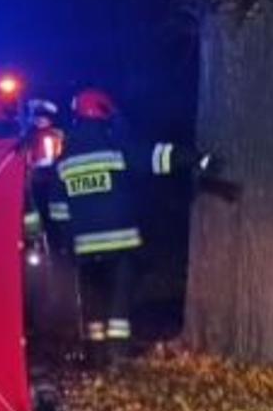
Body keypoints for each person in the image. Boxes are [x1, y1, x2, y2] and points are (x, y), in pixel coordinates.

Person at [54, 87, 203, 363]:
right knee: (119, 299)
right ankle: (118, 354)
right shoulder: (116, 148)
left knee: (93, 301)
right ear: (103, 114)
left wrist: (68, 243)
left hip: (84, 248)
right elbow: (156, 157)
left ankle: (95, 355)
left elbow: (59, 209)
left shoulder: (64, 161)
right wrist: (194, 158)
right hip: (121, 243)